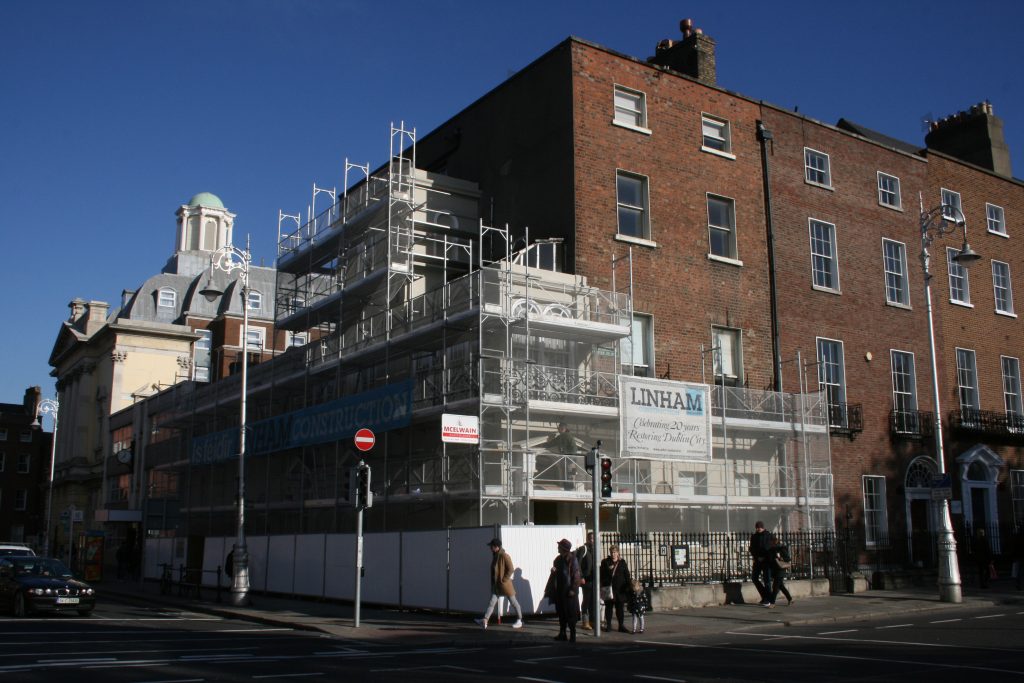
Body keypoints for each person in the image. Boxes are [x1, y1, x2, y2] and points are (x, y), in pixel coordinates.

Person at [475, 538, 524, 629]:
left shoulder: (504, 555)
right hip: (497, 586)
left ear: (496, 547)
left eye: (492, 546)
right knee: (492, 603)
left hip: (504, 585)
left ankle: (519, 620)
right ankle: (485, 620)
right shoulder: (496, 555)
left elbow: (511, 569)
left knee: (513, 602)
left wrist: (503, 580)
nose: (490, 548)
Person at [544, 538, 582, 642]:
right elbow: (556, 574)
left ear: (563, 548)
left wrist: (573, 589)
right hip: (559, 590)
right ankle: (562, 633)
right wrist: (553, 571)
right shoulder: (557, 559)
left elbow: (576, 576)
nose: (557, 548)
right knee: (561, 613)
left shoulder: (572, 559)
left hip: (569, 591)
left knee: (570, 613)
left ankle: (573, 634)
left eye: (559, 546)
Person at [600, 544, 632, 632]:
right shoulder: (605, 562)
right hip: (609, 589)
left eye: (615, 552)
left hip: (620, 590)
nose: (613, 554)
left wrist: (629, 586)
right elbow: (601, 575)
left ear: (618, 553)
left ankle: (621, 625)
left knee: (620, 608)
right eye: (612, 552)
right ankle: (609, 625)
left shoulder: (622, 562)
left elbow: (627, 575)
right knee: (609, 608)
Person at [748, 520, 774, 605]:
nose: (758, 529)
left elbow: (769, 547)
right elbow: (752, 548)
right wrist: (756, 557)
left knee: (767, 580)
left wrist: (763, 556)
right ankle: (764, 596)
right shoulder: (754, 536)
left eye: (760, 527)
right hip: (757, 560)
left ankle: (768, 599)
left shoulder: (768, 535)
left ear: (763, 527)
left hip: (766, 561)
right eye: (757, 527)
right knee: (754, 578)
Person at [765, 534, 793, 608]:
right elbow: (769, 560)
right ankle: (790, 599)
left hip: (781, 570)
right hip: (774, 570)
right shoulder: (770, 550)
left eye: (770, 541)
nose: (769, 543)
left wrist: (781, 558)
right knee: (781, 586)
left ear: (774, 541)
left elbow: (788, 559)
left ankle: (772, 603)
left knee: (775, 586)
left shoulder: (781, 549)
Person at [576, 531, 596, 630]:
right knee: (587, 600)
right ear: (588, 539)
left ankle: (593, 621)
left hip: (594, 579)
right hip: (586, 580)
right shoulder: (583, 549)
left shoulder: (595, 550)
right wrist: (581, 577)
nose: (592, 541)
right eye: (591, 539)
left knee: (593, 600)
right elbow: (578, 564)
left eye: (594, 539)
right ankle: (585, 621)